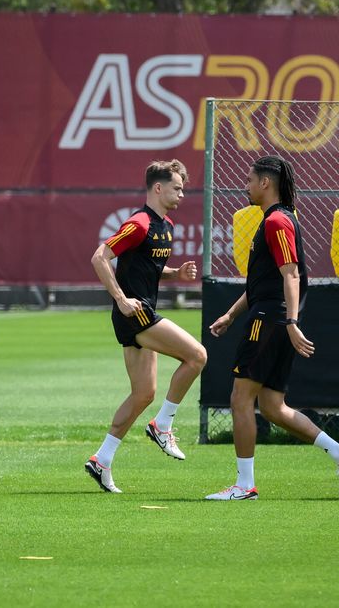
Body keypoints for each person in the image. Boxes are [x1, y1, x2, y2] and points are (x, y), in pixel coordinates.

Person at [205, 156, 339, 501]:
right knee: (273, 407)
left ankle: (244, 486)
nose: (245, 186)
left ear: (265, 183)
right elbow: (263, 282)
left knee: (240, 397)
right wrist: (230, 315)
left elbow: (291, 274)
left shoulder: (277, 221)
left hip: (271, 319)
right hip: (272, 315)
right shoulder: (274, 220)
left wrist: (290, 321)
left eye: (249, 180)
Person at [85, 159, 206, 494]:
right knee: (197, 355)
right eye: (177, 187)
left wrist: (175, 274)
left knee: (143, 394)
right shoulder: (139, 223)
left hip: (141, 310)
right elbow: (100, 257)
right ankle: (163, 425)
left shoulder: (165, 225)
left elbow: (146, 267)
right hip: (135, 313)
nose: (181, 193)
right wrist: (122, 299)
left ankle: (102, 459)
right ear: (158, 188)